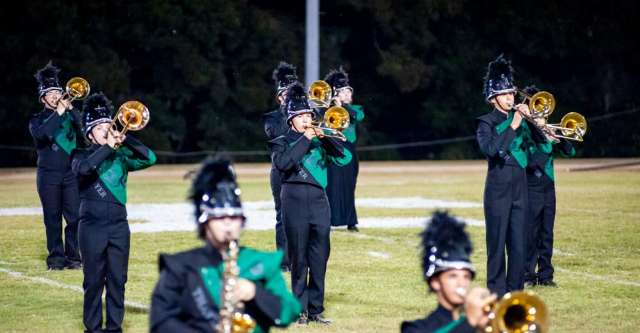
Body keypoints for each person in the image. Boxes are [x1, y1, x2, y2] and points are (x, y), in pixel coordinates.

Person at [149, 158, 301, 332]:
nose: (228, 223)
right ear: (204, 222)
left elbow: (290, 311)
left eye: (234, 217)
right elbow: (160, 323)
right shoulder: (180, 267)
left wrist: (254, 292)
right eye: (220, 217)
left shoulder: (261, 263)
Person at [72, 93, 156, 333]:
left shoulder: (120, 156)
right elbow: (85, 170)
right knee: (93, 281)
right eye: (100, 127)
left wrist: (124, 136)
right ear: (90, 133)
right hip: (91, 227)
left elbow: (150, 157)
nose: (106, 130)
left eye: (108, 126)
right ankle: (93, 328)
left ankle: (114, 328)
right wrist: (108, 146)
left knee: (118, 280)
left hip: (119, 226)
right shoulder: (79, 154)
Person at [269, 83, 352, 325]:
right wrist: (306, 139)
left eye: (309, 115)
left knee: (319, 256)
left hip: (318, 201)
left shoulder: (320, 139)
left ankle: (315, 309)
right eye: (302, 116)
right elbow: (284, 164)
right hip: (293, 200)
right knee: (299, 257)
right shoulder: (281, 141)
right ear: (292, 120)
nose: (307, 120)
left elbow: (344, 158)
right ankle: (299, 310)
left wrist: (325, 138)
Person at [475, 54, 534, 297]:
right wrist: (513, 125)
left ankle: (515, 293)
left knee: (519, 244)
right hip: (497, 190)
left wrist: (534, 121)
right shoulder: (485, 123)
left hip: (521, 188)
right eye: (505, 94)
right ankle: (496, 293)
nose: (511, 98)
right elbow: (492, 150)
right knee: (497, 245)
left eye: (512, 93)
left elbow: (539, 144)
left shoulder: (521, 120)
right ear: (493, 98)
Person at [401, 211, 496, 333]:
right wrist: (470, 323)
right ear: (435, 282)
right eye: (453, 276)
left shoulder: (483, 324)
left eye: (466, 276)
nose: (461, 283)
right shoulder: (415, 328)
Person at [29, 61, 83, 270]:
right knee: (52, 219)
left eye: (57, 92)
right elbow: (43, 136)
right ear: (43, 98)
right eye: (50, 93)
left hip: (71, 173)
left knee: (75, 217)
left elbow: (86, 138)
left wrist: (72, 110)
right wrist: (59, 113)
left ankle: (74, 258)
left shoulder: (71, 116)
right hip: (48, 175)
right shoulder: (36, 120)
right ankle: (56, 259)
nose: (54, 96)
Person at [522, 87, 576, 288]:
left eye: (541, 104)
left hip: (548, 187)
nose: (539, 109)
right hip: (531, 185)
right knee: (531, 233)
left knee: (547, 233)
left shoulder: (547, 129)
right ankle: (528, 275)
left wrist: (558, 138)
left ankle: (546, 276)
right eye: (535, 104)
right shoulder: (524, 131)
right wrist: (546, 139)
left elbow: (570, 152)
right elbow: (531, 160)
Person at [263, 61, 298, 271]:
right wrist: (292, 114)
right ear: (279, 97)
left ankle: (300, 257)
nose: (290, 98)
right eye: (287, 94)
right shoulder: (272, 119)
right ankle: (285, 261)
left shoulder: (306, 115)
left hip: (303, 171)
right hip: (280, 172)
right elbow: (278, 136)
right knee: (283, 216)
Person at [323, 67, 365, 232]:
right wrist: (332, 106)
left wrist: (342, 106)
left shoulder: (356, 109)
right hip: (333, 150)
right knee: (331, 185)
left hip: (349, 151)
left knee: (349, 185)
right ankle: (329, 220)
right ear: (336, 94)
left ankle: (350, 220)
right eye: (344, 92)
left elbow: (357, 117)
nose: (348, 95)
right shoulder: (328, 110)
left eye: (349, 92)